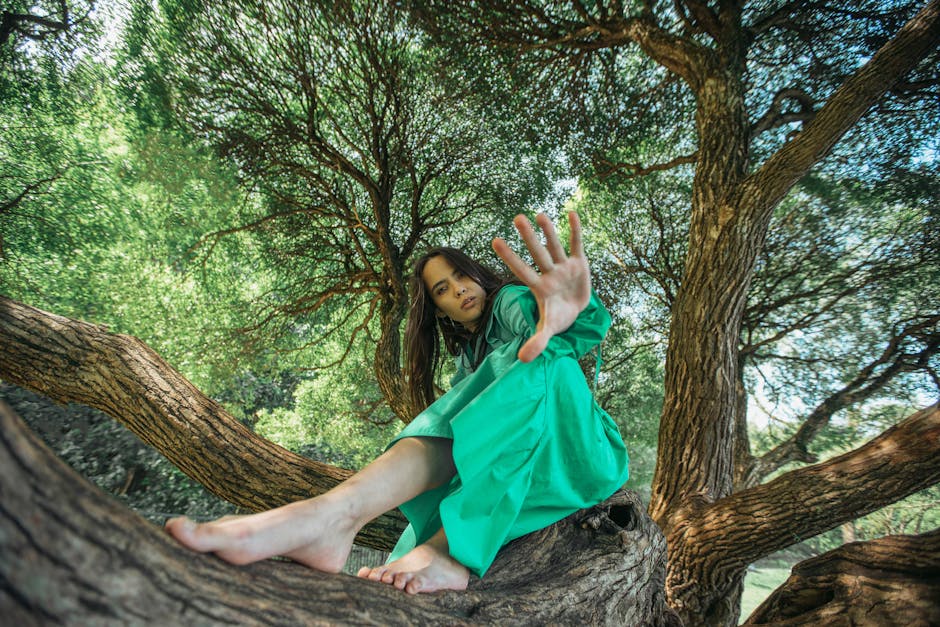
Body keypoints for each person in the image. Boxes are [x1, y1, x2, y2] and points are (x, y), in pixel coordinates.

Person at [165, 211, 629, 595]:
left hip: (583, 456)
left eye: (461, 275)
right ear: (439, 311)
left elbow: (547, 328)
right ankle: (334, 515)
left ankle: (443, 550)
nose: (458, 289)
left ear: (478, 276)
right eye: (442, 290)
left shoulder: (509, 302)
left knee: (537, 355)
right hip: (538, 477)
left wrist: (562, 317)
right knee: (454, 441)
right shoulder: (466, 365)